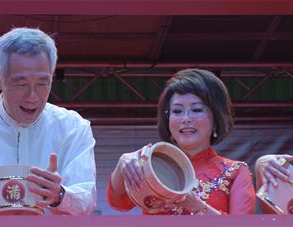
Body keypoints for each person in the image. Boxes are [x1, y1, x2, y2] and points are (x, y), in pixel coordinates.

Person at [0, 27, 96, 216]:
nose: (32, 97)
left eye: (43, 83)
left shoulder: (73, 128)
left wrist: (60, 195)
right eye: (20, 84)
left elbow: (88, 201)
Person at [108, 68, 255, 215]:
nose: (186, 119)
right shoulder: (149, 163)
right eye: (177, 111)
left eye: (196, 110)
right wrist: (123, 165)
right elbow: (119, 202)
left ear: (216, 117)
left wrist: (198, 206)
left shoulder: (235, 172)